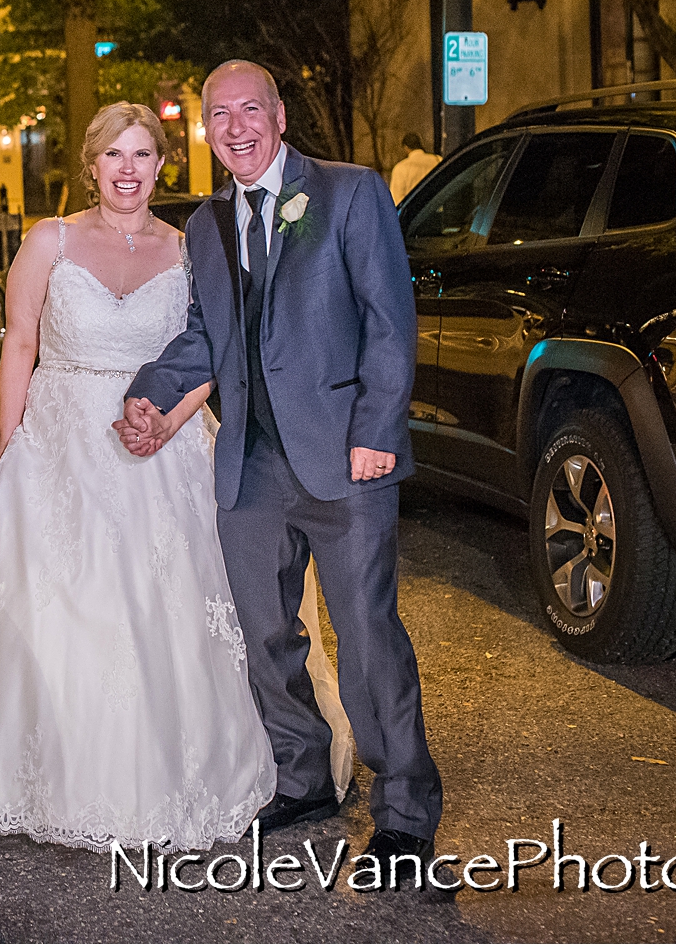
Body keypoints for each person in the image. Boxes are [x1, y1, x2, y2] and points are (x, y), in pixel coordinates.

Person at [0, 102, 349, 853]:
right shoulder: (50, 240)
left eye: (143, 155)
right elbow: (19, 342)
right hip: (59, 438)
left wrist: (170, 419)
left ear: (161, 165)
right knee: (59, 606)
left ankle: (206, 765)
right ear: (92, 164)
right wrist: (12, 439)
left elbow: (215, 349)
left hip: (163, 440)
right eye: (115, 155)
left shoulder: (191, 245)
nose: (129, 169)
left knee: (168, 603)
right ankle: (49, 773)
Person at [117, 60, 443, 881]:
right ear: (205, 129)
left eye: (248, 109)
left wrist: (377, 428)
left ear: (280, 114)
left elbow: (388, 319)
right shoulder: (204, 223)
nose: (235, 127)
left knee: (368, 639)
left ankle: (404, 809)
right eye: (218, 114)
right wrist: (150, 396)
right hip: (250, 463)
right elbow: (205, 334)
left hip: (344, 457)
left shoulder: (349, 191)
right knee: (266, 636)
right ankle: (303, 777)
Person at [389, 131, 442, 204]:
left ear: (406, 147)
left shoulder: (401, 167)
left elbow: (396, 198)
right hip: (436, 208)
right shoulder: (437, 160)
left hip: (415, 212)